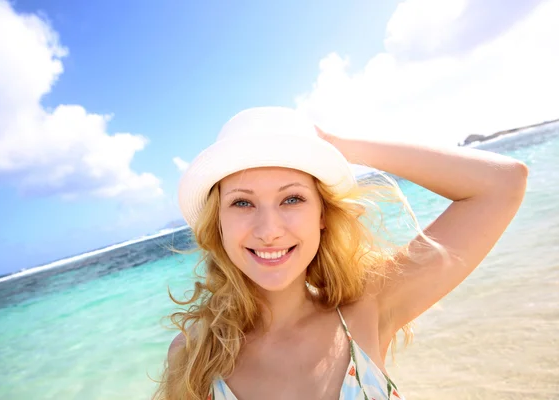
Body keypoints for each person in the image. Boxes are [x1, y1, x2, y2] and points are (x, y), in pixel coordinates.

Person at [153, 106, 528, 400]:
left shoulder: (368, 309)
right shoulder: (194, 354)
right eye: (242, 204)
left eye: (293, 198)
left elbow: (502, 183)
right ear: (218, 224)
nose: (268, 230)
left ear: (322, 215)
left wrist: (338, 148)